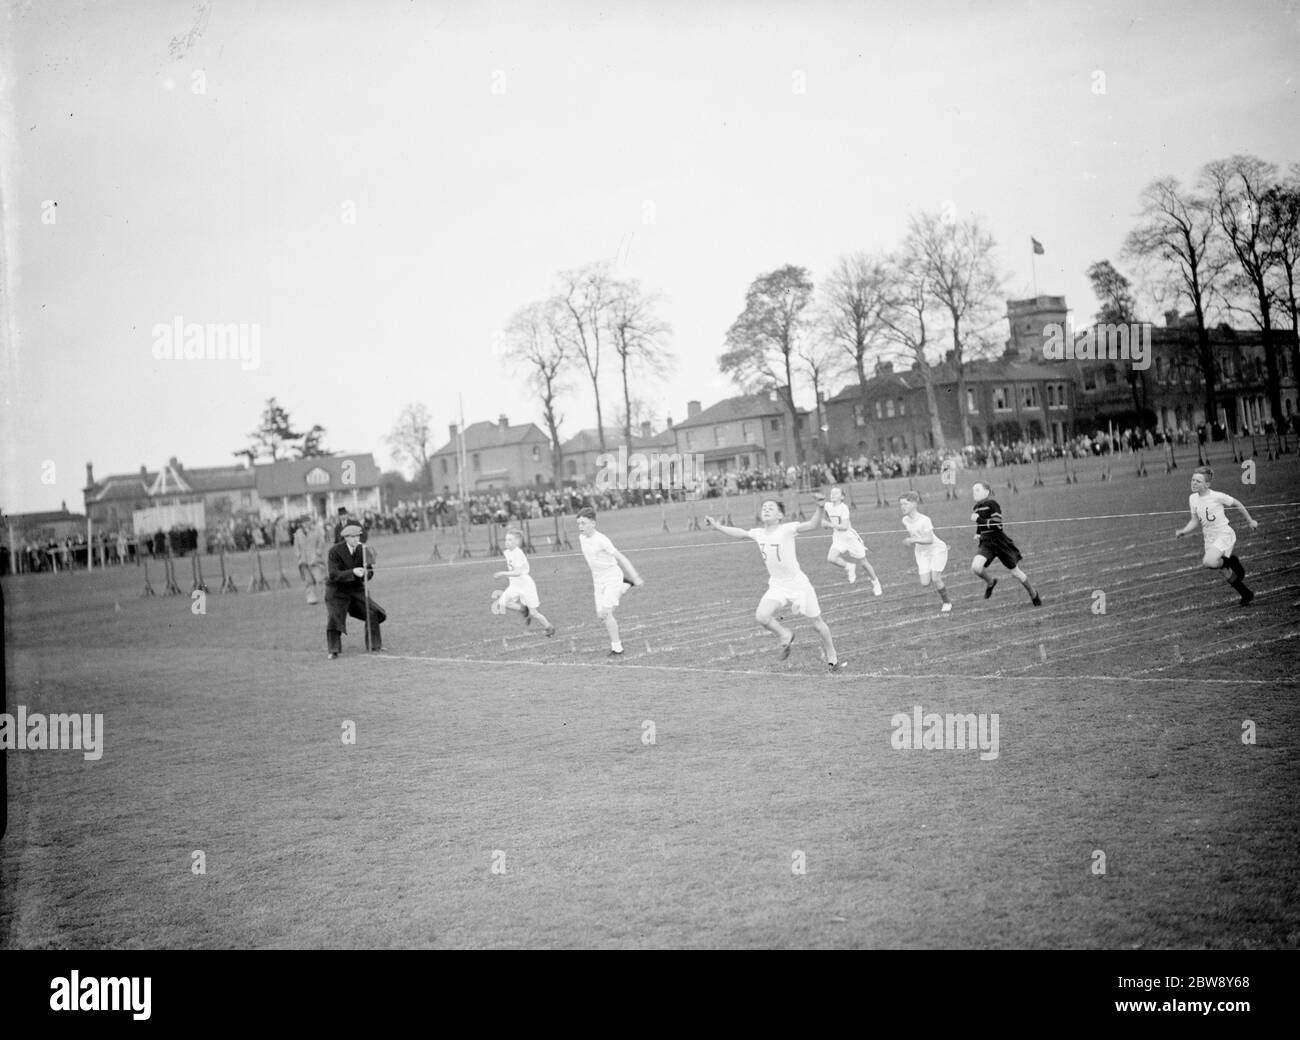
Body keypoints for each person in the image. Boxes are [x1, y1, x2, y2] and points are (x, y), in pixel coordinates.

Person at [706, 496, 846, 673]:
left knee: (817, 624)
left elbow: (812, 525)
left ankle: (831, 654)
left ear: (780, 515)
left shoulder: (787, 529)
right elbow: (739, 532)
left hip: (798, 585)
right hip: (777, 586)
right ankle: (785, 634)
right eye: (764, 507)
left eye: (771, 508)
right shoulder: (758, 533)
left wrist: (820, 508)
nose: (766, 509)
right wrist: (717, 526)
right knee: (762, 616)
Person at [1175, 466, 1258, 605]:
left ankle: (1231, 561)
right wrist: (1184, 531)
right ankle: (1246, 594)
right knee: (1223, 570)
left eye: (1198, 481)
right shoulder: (1192, 499)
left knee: (1208, 561)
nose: (1194, 483)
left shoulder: (1216, 496)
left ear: (1207, 484)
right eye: (1193, 480)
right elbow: (1195, 520)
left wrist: (1250, 521)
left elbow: (1237, 503)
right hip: (1209, 538)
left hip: (1223, 534)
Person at [575, 506, 642, 659]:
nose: (580, 527)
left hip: (612, 577)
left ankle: (617, 648)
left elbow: (620, 557)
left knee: (606, 612)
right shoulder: (581, 538)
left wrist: (635, 575)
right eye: (578, 524)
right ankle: (625, 586)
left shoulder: (602, 540)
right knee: (601, 615)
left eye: (583, 523)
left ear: (593, 523)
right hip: (598, 580)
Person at [970, 480, 1042, 606]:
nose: (974, 493)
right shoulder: (976, 508)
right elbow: (980, 525)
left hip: (999, 541)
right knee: (976, 568)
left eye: (977, 490)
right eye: (973, 491)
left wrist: (979, 519)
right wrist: (978, 532)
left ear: (986, 492)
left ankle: (1033, 593)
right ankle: (991, 582)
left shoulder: (992, 504)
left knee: (1015, 573)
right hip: (986, 543)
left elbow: (998, 524)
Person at [325, 523, 387, 657]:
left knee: (372, 613)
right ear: (346, 538)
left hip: (356, 591)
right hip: (337, 592)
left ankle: (374, 646)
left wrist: (365, 573)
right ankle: (333, 651)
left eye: (357, 536)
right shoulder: (334, 551)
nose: (356, 539)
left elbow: (370, 572)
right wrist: (352, 572)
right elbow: (333, 574)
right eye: (353, 537)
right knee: (334, 618)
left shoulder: (363, 550)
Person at [492, 528, 556, 636]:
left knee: (534, 613)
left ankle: (549, 627)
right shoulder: (507, 552)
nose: (507, 542)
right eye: (506, 540)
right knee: (503, 602)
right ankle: (523, 609)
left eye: (510, 540)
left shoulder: (518, 553)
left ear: (516, 542)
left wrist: (503, 573)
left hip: (525, 585)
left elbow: (517, 572)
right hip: (514, 584)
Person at [821, 485, 882, 594]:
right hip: (838, 537)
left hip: (850, 537)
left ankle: (876, 583)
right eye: (831, 493)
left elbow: (844, 527)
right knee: (831, 558)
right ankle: (849, 567)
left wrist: (828, 524)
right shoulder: (827, 506)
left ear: (842, 497)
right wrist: (824, 523)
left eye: (836, 493)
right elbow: (825, 517)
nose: (833, 495)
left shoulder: (843, 508)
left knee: (864, 563)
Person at [900, 491, 952, 613]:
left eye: (905, 504)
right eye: (901, 504)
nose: (902, 507)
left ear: (914, 504)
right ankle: (932, 568)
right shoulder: (905, 520)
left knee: (935, 578)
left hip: (936, 549)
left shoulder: (925, 520)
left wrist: (912, 540)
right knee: (925, 582)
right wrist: (913, 541)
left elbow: (929, 539)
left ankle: (947, 602)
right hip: (921, 552)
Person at [295, 516, 327, 605]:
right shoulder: (298, 533)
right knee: (308, 581)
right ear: (301, 523)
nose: (306, 523)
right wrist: (299, 556)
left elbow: (321, 542)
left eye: (307, 521)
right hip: (304, 561)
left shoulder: (316, 531)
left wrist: (318, 553)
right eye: (304, 522)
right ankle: (311, 597)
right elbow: (296, 546)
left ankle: (326, 595)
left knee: (321, 579)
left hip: (315, 560)